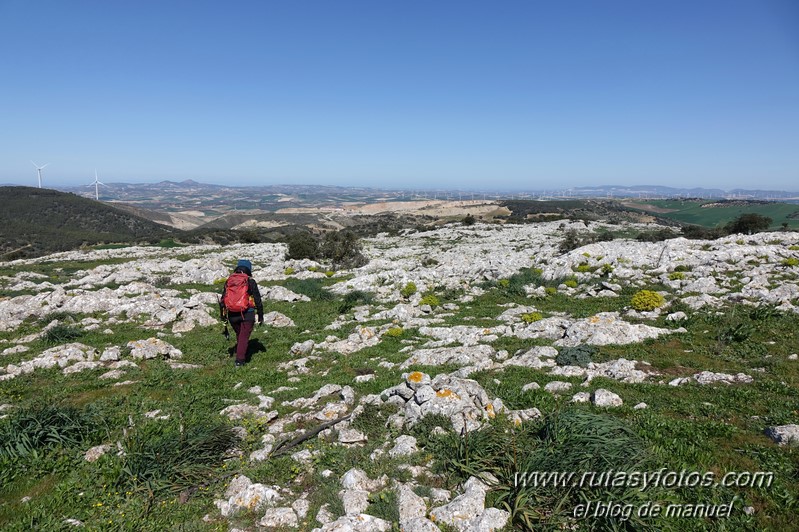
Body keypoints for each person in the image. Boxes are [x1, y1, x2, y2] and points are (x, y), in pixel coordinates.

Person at [220, 259, 264, 367]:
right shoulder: (250, 281)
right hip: (247, 313)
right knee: (243, 337)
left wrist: (223, 316)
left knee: (240, 335)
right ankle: (239, 361)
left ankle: (240, 350)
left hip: (232, 314)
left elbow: (223, 300)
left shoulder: (229, 280)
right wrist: (261, 315)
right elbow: (257, 299)